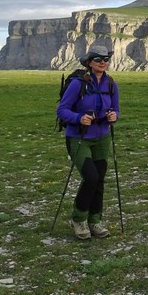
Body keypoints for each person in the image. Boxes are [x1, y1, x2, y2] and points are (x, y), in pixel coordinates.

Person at [56, 45, 120, 239]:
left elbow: (116, 108)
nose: (103, 62)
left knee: (99, 179)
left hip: (102, 137)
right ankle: (79, 218)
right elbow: (62, 110)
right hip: (79, 138)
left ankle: (95, 221)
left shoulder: (110, 83)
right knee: (91, 177)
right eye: (99, 59)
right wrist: (78, 118)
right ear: (89, 62)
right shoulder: (78, 83)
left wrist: (113, 116)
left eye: (106, 59)